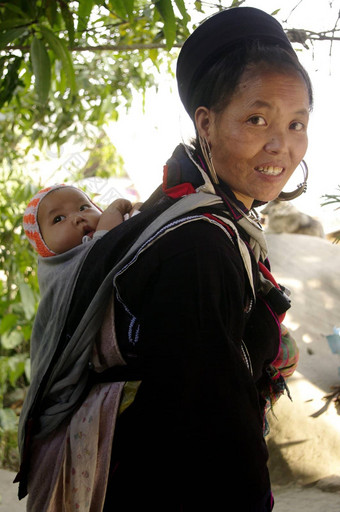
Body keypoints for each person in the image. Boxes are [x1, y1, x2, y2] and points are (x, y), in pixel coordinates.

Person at [16, 7, 309, 511]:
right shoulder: (198, 243)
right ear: (207, 124)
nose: (281, 144)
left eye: (297, 122)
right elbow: (210, 425)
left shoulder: (191, 217)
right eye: (257, 118)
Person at [23, 183, 135, 257]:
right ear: (43, 243)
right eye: (59, 219)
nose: (78, 218)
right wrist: (114, 210)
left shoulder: (119, 220)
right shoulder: (63, 271)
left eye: (83, 208)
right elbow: (104, 246)